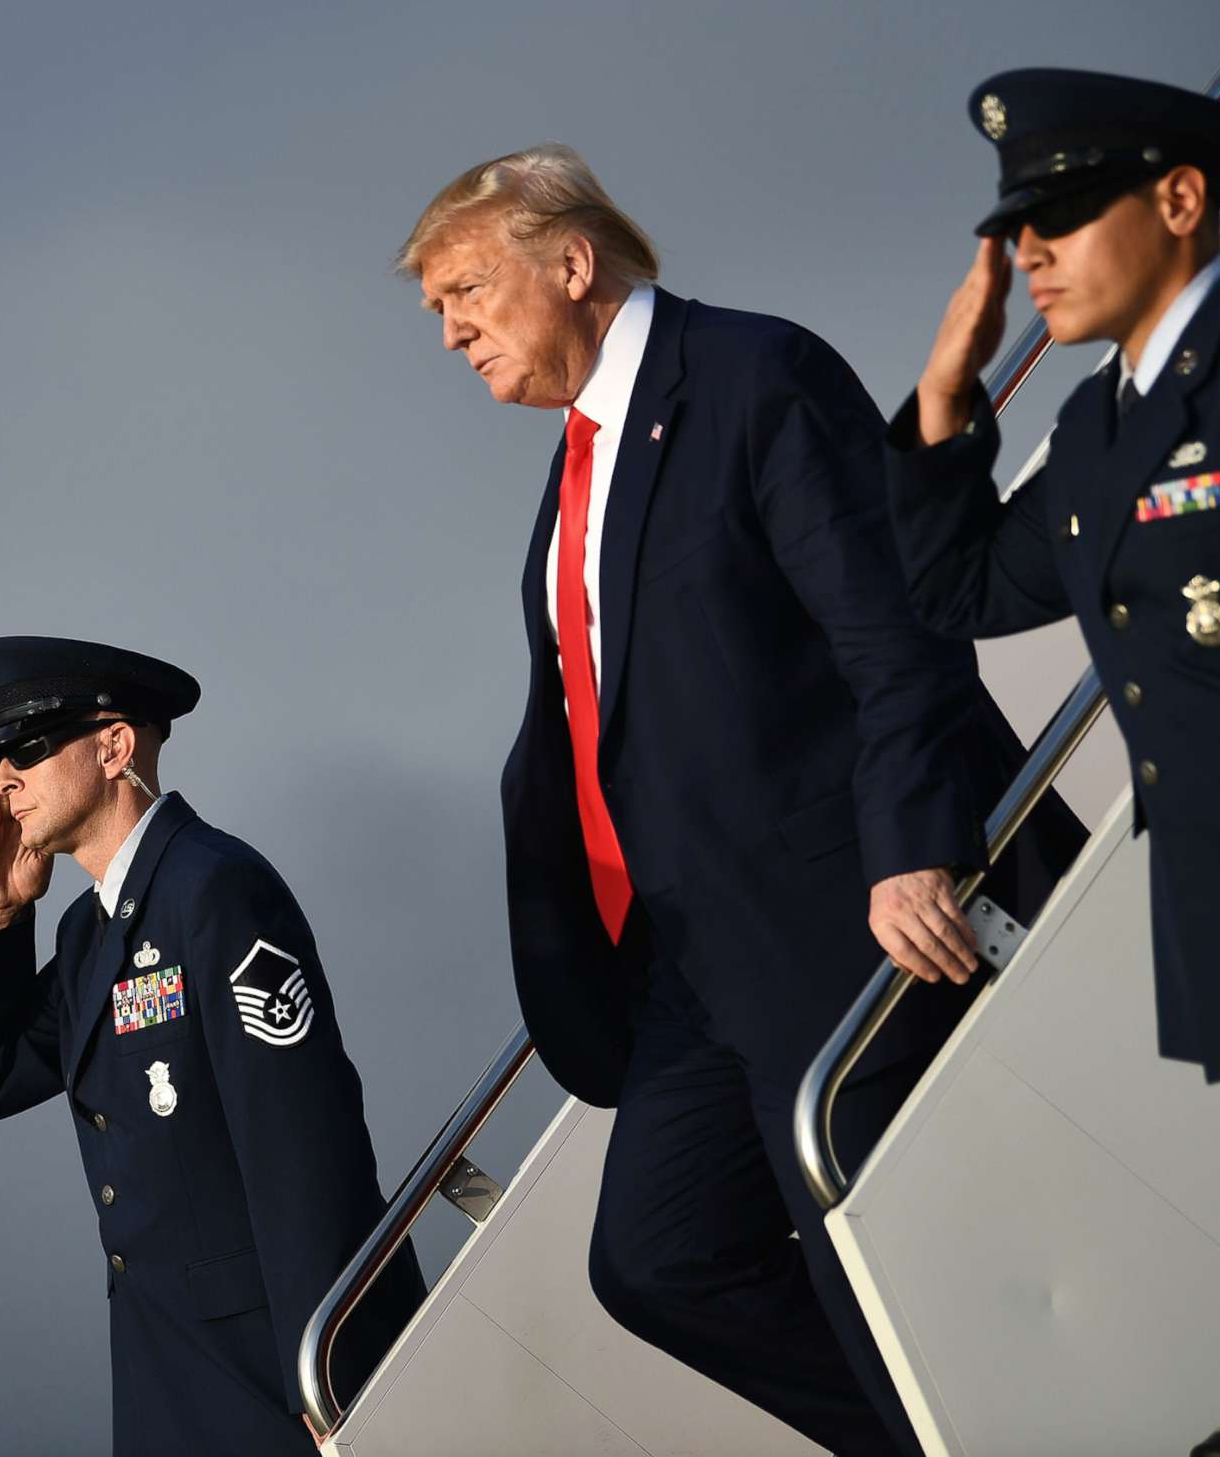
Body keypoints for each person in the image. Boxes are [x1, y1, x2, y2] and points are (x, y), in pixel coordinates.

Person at [399, 146, 1082, 1454]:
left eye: (466, 291)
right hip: (692, 970)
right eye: (438, 310)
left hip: (842, 928)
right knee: (657, 1259)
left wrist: (915, 851)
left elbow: (895, 626)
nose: (452, 332)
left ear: (573, 263)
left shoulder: (753, 376)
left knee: (888, 1289)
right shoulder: (569, 481)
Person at [887, 67, 1220, 1449]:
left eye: (1064, 213)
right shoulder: (1094, 435)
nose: (1032, 250)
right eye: (1020, 225)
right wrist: (945, 395)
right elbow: (957, 591)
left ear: (1180, 199)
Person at [0, 636, 423, 1452]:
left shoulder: (215, 887)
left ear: (115, 745)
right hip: (165, 1380)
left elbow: (302, 1147)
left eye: (26, 748)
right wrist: (0, 918)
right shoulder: (90, 933)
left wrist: (330, 1375)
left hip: (272, 1377)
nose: (4, 779)